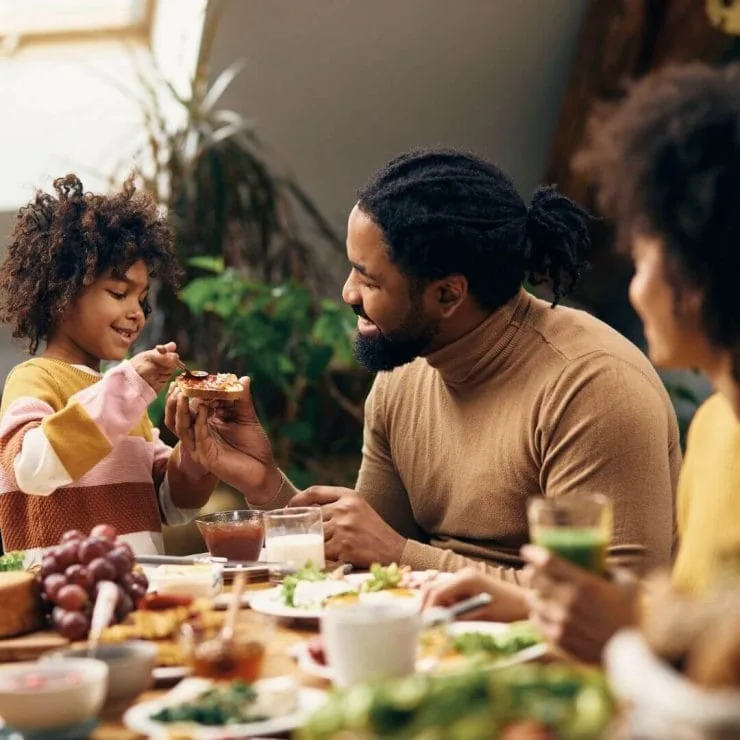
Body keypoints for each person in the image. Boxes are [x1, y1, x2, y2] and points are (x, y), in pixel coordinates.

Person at [169, 147, 680, 586]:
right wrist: (264, 484)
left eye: (369, 280)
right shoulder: (403, 374)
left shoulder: (591, 386)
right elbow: (357, 556)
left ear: (448, 294)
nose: (347, 293)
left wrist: (401, 555)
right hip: (435, 648)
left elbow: (613, 602)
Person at [426, 63, 740, 662]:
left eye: (645, 261)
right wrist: (525, 601)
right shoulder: (718, 429)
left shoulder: (604, 384)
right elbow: (700, 623)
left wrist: (626, 632)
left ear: (698, 278)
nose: (637, 290)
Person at [0, 174, 217, 561]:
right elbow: (30, 467)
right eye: (119, 293)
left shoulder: (121, 398)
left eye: (142, 299)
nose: (136, 313)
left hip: (135, 598)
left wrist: (197, 449)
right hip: (61, 603)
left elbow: (171, 505)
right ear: (62, 294)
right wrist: (129, 386)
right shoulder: (36, 378)